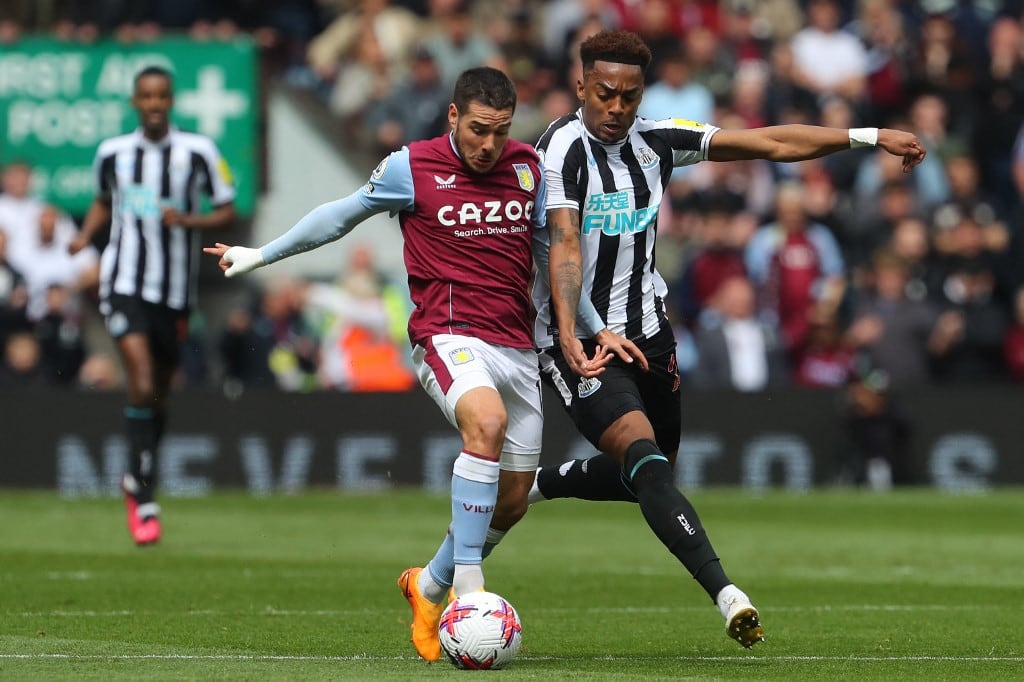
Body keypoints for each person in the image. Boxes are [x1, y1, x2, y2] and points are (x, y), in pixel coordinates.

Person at [202, 66, 638, 663]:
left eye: (501, 131)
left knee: (511, 502)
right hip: (448, 337)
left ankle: (429, 585)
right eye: (479, 129)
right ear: (453, 117)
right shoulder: (412, 166)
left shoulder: (529, 169)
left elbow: (556, 263)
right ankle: (469, 594)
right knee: (485, 423)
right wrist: (261, 254)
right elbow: (341, 215)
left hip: (515, 347)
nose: (489, 144)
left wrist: (594, 325)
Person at [522, 29, 925, 649]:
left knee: (652, 472)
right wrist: (580, 328)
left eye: (629, 96)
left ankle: (544, 483)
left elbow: (769, 142)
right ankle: (727, 593)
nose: (617, 108)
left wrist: (867, 136)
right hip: (579, 340)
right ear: (581, 86)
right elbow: (565, 245)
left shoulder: (658, 141)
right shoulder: (560, 150)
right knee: (644, 460)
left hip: (650, 334)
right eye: (604, 94)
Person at [68, 65, 237, 546]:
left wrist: (188, 220)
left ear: (171, 100)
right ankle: (142, 492)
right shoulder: (113, 153)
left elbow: (227, 208)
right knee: (140, 382)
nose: (155, 104)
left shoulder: (199, 151)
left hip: (175, 294)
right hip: (123, 283)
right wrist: (85, 235)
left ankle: (138, 473)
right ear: (134, 103)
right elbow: (104, 200)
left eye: (162, 95)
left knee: (158, 393)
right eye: (146, 96)